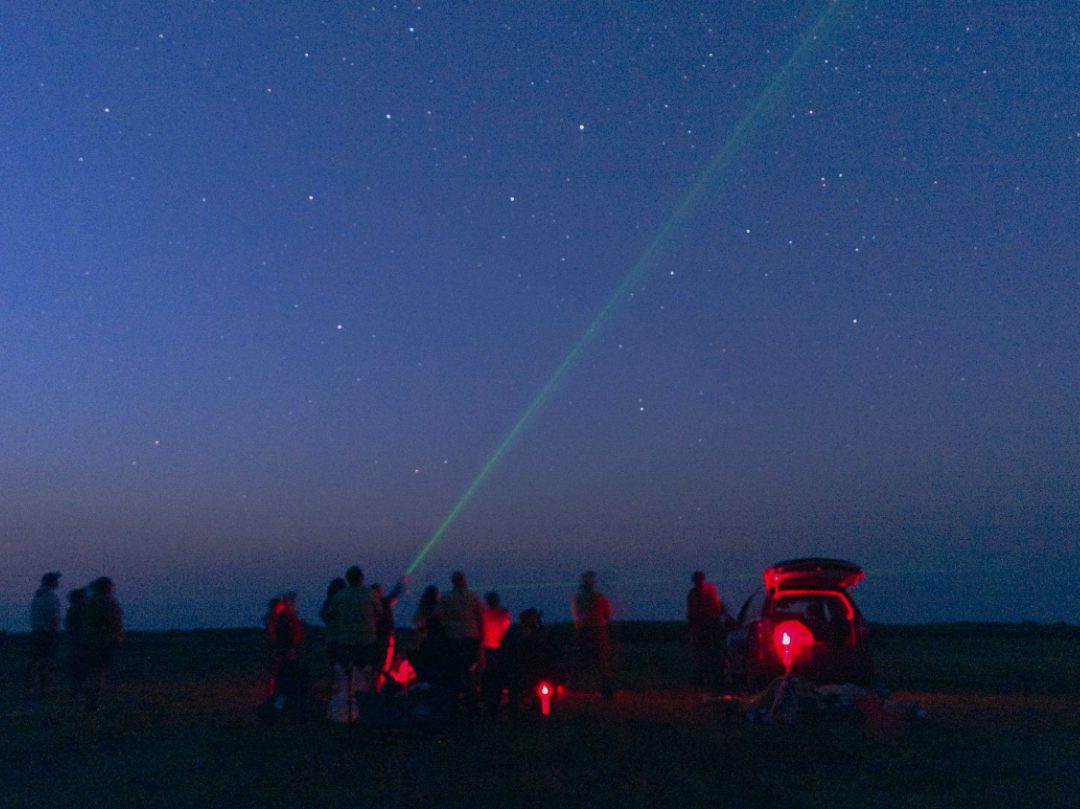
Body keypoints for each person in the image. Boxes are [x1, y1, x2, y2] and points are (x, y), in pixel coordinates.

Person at [433, 571, 484, 714]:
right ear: (464, 580)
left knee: (454, 672)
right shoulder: (473, 596)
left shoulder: (446, 597)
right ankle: (472, 704)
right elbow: (481, 615)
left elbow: (437, 616)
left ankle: (454, 705)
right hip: (470, 637)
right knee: (470, 672)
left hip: (452, 638)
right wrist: (481, 636)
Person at [501, 608, 562, 717]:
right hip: (528, 671)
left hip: (525, 670)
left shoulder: (516, 633)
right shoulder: (524, 635)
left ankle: (538, 704)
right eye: (533, 617)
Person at [81, 577, 123, 710]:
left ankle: (89, 699)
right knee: (99, 671)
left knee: (92, 670)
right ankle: (94, 700)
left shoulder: (89, 602)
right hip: (103, 640)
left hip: (89, 640)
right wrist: (118, 638)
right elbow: (115, 622)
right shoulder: (108, 603)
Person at [571, 570, 614, 699]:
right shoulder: (594, 597)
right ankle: (605, 690)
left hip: (589, 631)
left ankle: (574, 688)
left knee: (591, 661)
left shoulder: (580, 598)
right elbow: (607, 614)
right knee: (599, 662)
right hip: (593, 631)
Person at [687, 571, 731, 691]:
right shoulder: (694, 594)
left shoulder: (709, 591)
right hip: (702, 627)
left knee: (715, 654)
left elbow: (719, 605)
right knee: (701, 654)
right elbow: (692, 613)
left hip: (712, 626)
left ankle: (717, 678)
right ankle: (702, 679)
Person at [28, 572, 62, 700]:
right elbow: (54, 617)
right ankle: (45, 688)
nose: (58, 582)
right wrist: (55, 631)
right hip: (47, 633)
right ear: (51, 582)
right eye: (55, 580)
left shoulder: (37, 597)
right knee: (47, 661)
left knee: (36, 661)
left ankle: (32, 687)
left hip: (36, 632)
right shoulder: (51, 597)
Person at [480, 591, 511, 717]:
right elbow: (506, 627)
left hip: (489, 648)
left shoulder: (484, 614)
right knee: (496, 676)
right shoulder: (503, 612)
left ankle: (490, 704)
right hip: (498, 648)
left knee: (489, 676)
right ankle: (495, 703)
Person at [64, 588, 89, 699]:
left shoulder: (72, 609)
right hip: (80, 643)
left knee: (77, 669)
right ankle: (77, 692)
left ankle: (75, 691)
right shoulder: (80, 609)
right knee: (80, 669)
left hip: (74, 643)